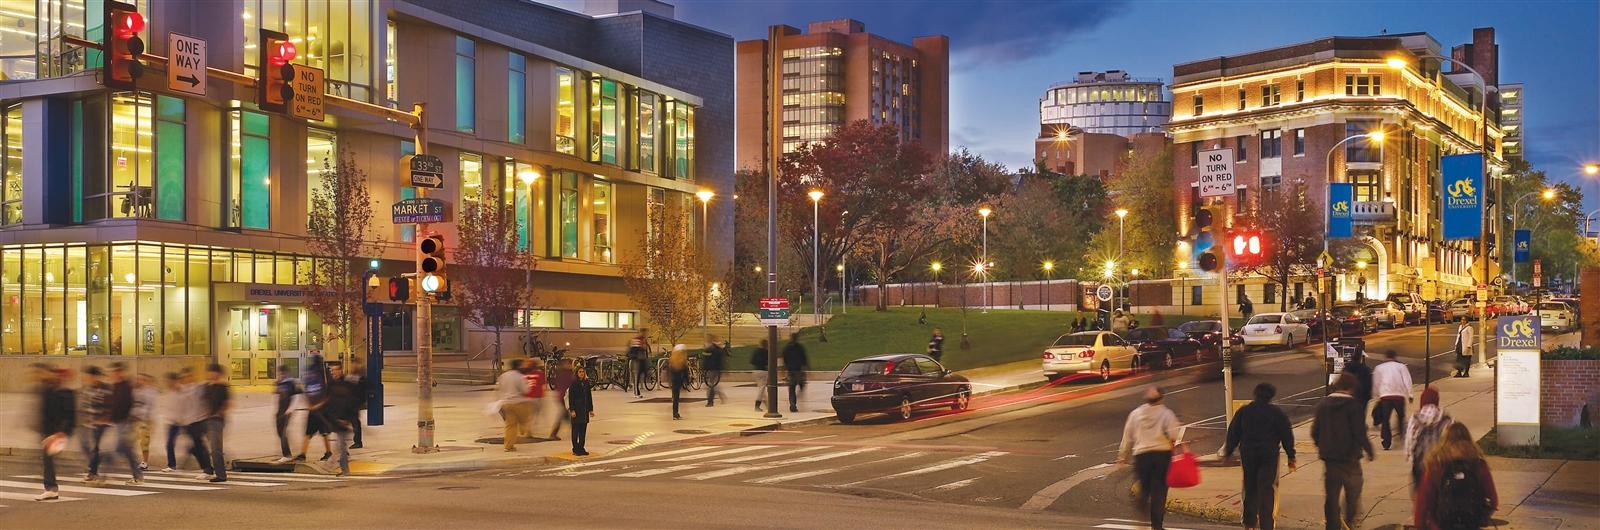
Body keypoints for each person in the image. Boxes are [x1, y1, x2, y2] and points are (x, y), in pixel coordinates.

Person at [1223, 383, 1297, 530]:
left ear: (1255, 394)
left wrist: (1228, 451)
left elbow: (1233, 432)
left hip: (1248, 453)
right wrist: (1291, 455)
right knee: (1266, 489)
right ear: (1271, 396)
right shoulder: (1276, 413)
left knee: (1250, 486)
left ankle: (1249, 522)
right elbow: (1286, 434)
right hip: (1269, 454)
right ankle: (1266, 524)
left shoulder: (1244, 411)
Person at [1312, 375, 1375, 530]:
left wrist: (1322, 445)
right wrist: (1369, 450)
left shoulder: (1322, 405)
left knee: (1331, 496)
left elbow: (1315, 431)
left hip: (1330, 459)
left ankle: (1332, 525)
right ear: (1351, 388)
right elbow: (1359, 432)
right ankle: (1349, 521)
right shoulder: (1354, 406)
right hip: (1350, 457)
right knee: (1353, 492)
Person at [1117, 386, 1181, 530]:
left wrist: (1122, 456)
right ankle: (1157, 525)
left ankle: (1141, 510)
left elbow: (1127, 436)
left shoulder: (1135, 414)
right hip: (1162, 455)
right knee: (1159, 491)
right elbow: (1174, 435)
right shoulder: (1166, 414)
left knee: (1144, 487)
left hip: (1142, 456)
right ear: (1161, 398)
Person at [1414, 423, 1498, 530]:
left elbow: (1423, 503)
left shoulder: (1436, 465)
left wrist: (1421, 525)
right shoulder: (1478, 465)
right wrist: (1482, 518)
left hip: (1440, 526)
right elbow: (1493, 500)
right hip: (1470, 525)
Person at [33, 363, 74, 501]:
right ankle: (50, 487)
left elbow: (68, 415)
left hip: (55, 433)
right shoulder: (47, 389)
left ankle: (51, 489)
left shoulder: (62, 392)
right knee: (47, 459)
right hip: (48, 432)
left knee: (48, 459)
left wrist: (62, 432)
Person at [1404, 386, 1453, 488]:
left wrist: (1409, 455)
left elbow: (1410, 439)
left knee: (1421, 496)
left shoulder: (1415, 418)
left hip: (1420, 464)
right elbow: (1451, 442)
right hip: (1439, 465)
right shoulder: (1446, 419)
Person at [105, 362, 146, 484]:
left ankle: (107, 474)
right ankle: (137, 476)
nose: (113, 374)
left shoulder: (126, 386)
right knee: (125, 450)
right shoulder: (117, 386)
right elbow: (114, 405)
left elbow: (126, 405)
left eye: (115, 372)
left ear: (121, 372)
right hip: (119, 423)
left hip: (125, 422)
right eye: (112, 372)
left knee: (119, 449)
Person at [176, 369, 215, 479]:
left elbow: (208, 393)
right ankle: (206, 468)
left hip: (199, 421)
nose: (186, 379)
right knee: (196, 446)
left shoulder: (199, 387)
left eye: (188, 376)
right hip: (187, 422)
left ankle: (207, 469)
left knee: (199, 446)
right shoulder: (183, 390)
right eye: (184, 377)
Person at [76, 365, 112, 485]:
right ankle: (95, 471)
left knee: (96, 449)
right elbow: (85, 405)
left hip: (103, 424)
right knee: (90, 449)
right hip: (91, 424)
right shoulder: (87, 389)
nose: (88, 379)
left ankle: (93, 473)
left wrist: (104, 418)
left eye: (89, 376)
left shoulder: (107, 389)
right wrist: (85, 417)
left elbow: (111, 406)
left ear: (95, 376)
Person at [1371, 350, 1413, 450]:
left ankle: (1386, 442)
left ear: (1386, 357)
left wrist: (1376, 396)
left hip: (1385, 396)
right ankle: (1402, 434)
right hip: (1399, 396)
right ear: (1395, 357)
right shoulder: (1401, 367)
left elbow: (1376, 382)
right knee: (1401, 416)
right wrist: (1410, 394)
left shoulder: (1379, 368)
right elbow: (1407, 380)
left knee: (1385, 420)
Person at [296, 359, 335, 462]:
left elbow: (328, 394)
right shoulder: (317, 375)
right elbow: (307, 391)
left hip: (321, 410)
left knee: (322, 432)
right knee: (313, 433)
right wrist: (310, 405)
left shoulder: (323, 375)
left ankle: (326, 452)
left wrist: (316, 405)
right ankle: (303, 454)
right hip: (315, 410)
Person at [198, 364, 230, 483]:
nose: (210, 374)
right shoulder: (207, 386)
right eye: (209, 372)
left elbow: (227, 403)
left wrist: (219, 414)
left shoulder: (222, 387)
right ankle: (209, 469)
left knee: (216, 449)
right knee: (206, 446)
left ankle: (221, 475)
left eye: (213, 372)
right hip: (206, 420)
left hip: (217, 421)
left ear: (218, 374)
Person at [325, 363, 358, 476]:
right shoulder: (331, 385)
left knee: (341, 445)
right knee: (340, 445)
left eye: (335, 370)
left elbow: (351, 402)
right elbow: (329, 402)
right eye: (332, 371)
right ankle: (335, 464)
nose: (333, 373)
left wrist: (348, 419)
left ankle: (343, 469)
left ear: (340, 371)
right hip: (336, 419)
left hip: (344, 420)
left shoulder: (347, 385)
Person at [495, 359, 532, 451]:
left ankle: (508, 446)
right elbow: (525, 390)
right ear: (519, 366)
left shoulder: (503, 376)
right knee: (525, 419)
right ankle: (523, 429)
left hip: (506, 403)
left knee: (510, 426)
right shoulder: (520, 377)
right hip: (518, 403)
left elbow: (500, 389)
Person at [271, 365, 299, 463]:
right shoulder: (278, 383)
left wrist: (290, 410)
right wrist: (275, 410)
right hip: (279, 411)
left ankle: (287, 455)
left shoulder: (291, 383)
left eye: (283, 373)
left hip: (287, 412)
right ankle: (286, 453)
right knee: (279, 432)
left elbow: (296, 397)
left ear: (287, 373)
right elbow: (275, 397)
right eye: (280, 373)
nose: (281, 375)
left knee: (283, 433)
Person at [566, 365, 595, 456]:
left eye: (583, 372)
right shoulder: (573, 383)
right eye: (580, 372)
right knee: (575, 430)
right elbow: (571, 398)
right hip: (577, 410)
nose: (582, 373)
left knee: (583, 431)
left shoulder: (586, 383)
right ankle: (575, 448)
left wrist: (590, 409)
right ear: (576, 373)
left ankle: (581, 448)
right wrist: (572, 410)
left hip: (584, 409)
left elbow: (589, 397)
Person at [131, 373, 157, 471]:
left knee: (144, 443)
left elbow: (151, 407)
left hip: (145, 421)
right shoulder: (134, 391)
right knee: (129, 441)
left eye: (142, 379)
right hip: (134, 420)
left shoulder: (151, 392)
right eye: (138, 379)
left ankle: (144, 462)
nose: (139, 381)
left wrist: (150, 421)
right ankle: (133, 460)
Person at [345, 360, 370, 449]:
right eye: (352, 365)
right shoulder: (349, 376)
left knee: (354, 422)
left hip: (354, 403)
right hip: (349, 403)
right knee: (350, 421)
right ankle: (350, 439)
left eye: (355, 365)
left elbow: (362, 390)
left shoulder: (361, 378)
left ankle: (357, 441)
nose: (353, 367)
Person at [782, 334, 809, 413]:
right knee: (798, 385)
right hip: (797, 370)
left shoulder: (787, 347)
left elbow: (784, 359)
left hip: (792, 370)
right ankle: (793, 403)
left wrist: (784, 369)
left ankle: (793, 403)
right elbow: (804, 358)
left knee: (792, 388)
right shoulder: (799, 347)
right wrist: (806, 366)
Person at [549, 358, 575, 439]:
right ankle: (553, 434)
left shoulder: (562, 373)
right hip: (563, 397)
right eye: (570, 364)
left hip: (563, 396)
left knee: (565, 414)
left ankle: (573, 430)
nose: (571, 366)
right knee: (564, 414)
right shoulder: (566, 374)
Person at [523, 358, 548, 438]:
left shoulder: (524, 375)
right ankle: (529, 429)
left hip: (527, 397)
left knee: (528, 415)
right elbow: (544, 386)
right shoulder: (540, 374)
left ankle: (527, 429)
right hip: (537, 397)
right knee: (535, 414)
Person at [702, 335, 728, 407]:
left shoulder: (713, 349)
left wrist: (704, 368)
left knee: (710, 385)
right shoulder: (714, 349)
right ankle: (720, 395)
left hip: (713, 369)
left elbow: (707, 360)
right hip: (712, 369)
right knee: (711, 385)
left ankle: (710, 401)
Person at [668, 344, 690, 420]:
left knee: (675, 398)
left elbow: (669, 372)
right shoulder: (682, 360)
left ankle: (675, 413)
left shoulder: (672, 360)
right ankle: (675, 414)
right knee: (676, 398)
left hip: (674, 381)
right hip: (678, 381)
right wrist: (687, 381)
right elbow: (685, 372)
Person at [628, 330, 652, 397]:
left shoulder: (643, 340)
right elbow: (633, 350)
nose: (645, 334)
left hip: (642, 359)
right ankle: (636, 393)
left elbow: (645, 349)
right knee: (637, 376)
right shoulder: (636, 340)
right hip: (637, 360)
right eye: (643, 333)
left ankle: (648, 378)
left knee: (644, 372)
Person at [751, 339, 770, 411]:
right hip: (763, 371)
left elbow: (752, 361)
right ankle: (757, 405)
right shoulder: (766, 352)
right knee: (762, 388)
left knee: (761, 388)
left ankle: (767, 404)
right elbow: (769, 362)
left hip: (755, 371)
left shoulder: (755, 351)